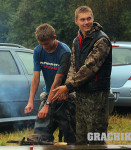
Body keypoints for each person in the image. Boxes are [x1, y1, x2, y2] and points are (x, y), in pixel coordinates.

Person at [52, 6, 112, 145]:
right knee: (81, 139)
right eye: (83, 19)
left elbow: (90, 68)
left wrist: (68, 86)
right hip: (81, 95)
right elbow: (73, 66)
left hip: (97, 96)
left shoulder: (101, 40)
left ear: (93, 18)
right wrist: (67, 87)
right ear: (76, 21)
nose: (86, 22)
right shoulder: (76, 40)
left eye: (89, 18)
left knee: (96, 139)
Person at [24, 23, 76, 144]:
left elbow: (57, 81)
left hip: (65, 96)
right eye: (41, 44)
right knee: (40, 133)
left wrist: (47, 105)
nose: (44, 47)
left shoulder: (64, 52)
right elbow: (36, 78)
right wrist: (30, 101)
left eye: (46, 43)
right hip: (48, 94)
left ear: (54, 37)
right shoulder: (38, 50)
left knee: (70, 134)